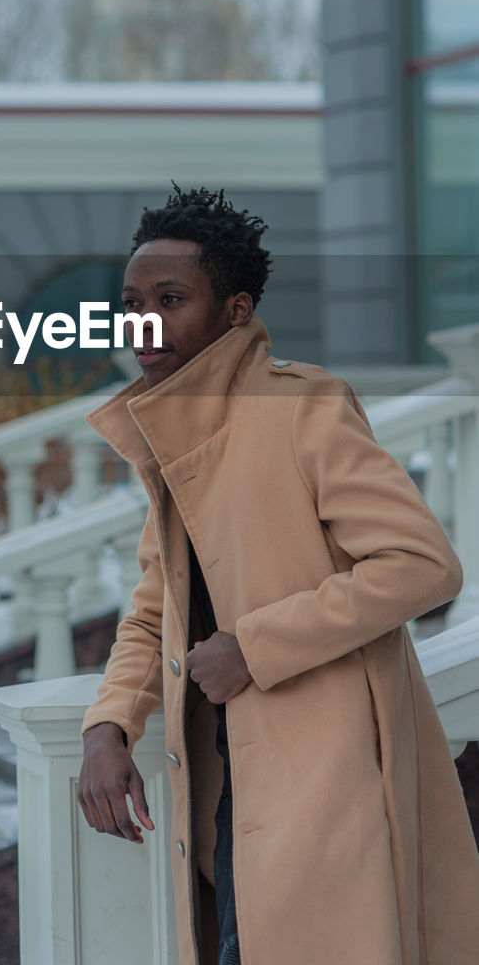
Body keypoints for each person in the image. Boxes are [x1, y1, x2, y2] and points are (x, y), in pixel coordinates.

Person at [77, 186, 479, 965]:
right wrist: (108, 724)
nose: (143, 322)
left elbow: (423, 563)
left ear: (235, 309)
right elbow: (157, 604)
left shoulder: (300, 407)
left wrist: (253, 647)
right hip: (224, 785)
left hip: (323, 780)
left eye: (170, 298)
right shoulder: (174, 435)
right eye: (131, 302)